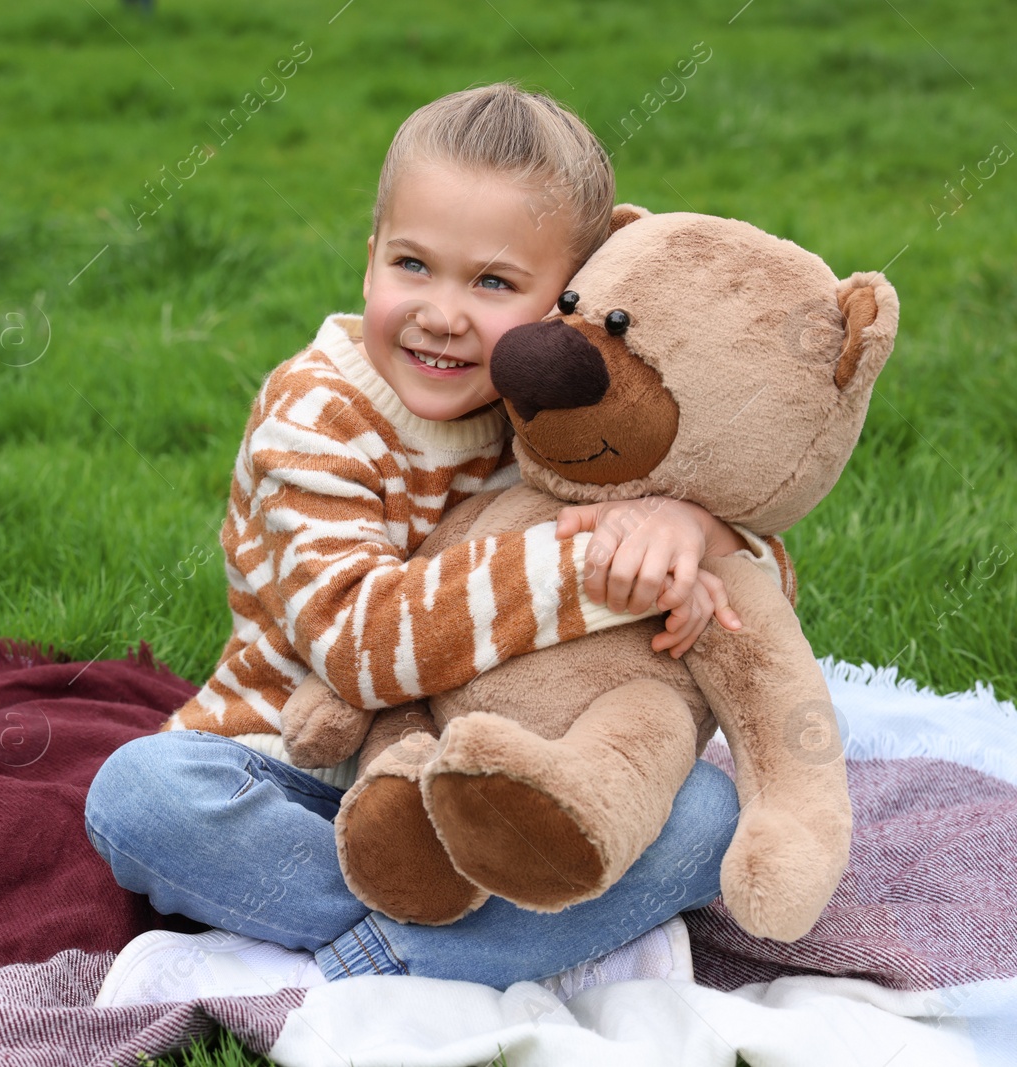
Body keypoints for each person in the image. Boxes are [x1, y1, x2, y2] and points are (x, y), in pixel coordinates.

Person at [85, 84, 794, 1006]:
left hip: (502, 791)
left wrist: (691, 533)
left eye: (494, 283)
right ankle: (476, 951)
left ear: (569, 302)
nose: (442, 312)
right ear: (369, 257)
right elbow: (360, 645)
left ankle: (330, 967)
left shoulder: (558, 412)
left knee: (705, 816)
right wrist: (607, 574)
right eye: (412, 264)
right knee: (140, 796)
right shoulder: (317, 415)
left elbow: (764, 571)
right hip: (297, 773)